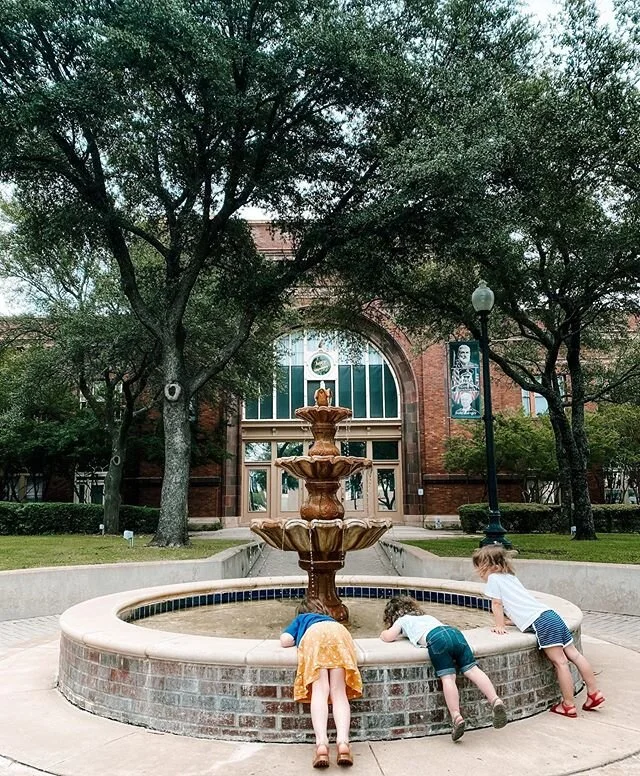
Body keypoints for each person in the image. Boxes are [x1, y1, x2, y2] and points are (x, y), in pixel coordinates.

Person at [472, 545, 605, 718]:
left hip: (541, 622)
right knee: (575, 655)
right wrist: (513, 621)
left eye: (479, 567)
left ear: (489, 566)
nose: (478, 573)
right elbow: (522, 605)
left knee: (560, 662)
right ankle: (594, 693)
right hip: (550, 615)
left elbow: (497, 604)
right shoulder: (510, 578)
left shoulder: (494, 579)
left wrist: (500, 625)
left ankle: (568, 705)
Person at [380, 596, 507, 741]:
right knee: (473, 670)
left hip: (436, 639)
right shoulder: (427, 617)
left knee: (448, 678)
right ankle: (495, 700)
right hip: (455, 633)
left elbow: (389, 636)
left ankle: (456, 717)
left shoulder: (402, 620)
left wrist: (383, 634)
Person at [280, 601, 362, 768]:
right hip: (340, 635)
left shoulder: (303, 618)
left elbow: (285, 640)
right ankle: (343, 744)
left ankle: (322, 745)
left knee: (320, 690)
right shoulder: (332, 621)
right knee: (339, 692)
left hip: (314, 637)